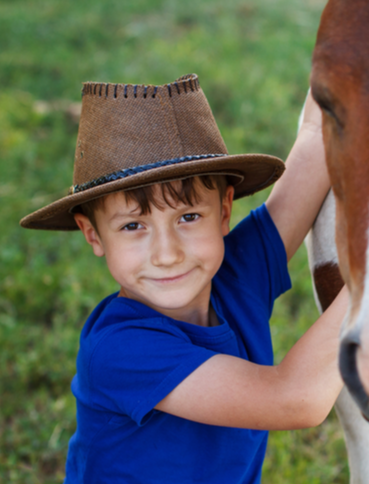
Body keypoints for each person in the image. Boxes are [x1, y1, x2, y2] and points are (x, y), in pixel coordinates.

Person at [20, 73, 347, 483]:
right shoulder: (119, 349)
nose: (167, 253)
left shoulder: (237, 277)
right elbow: (297, 400)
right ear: (93, 234)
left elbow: (318, 135)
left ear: (225, 211)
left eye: (188, 217)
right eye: (133, 226)